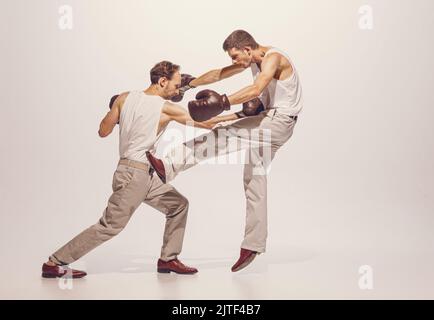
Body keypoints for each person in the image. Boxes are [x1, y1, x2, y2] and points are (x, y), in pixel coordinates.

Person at [41, 61, 220, 278]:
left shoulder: (124, 98)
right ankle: (55, 262)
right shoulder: (166, 108)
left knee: (178, 205)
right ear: (162, 81)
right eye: (176, 84)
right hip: (135, 175)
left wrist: (121, 114)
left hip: (141, 173)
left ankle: (168, 259)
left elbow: (103, 131)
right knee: (110, 225)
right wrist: (231, 109)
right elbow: (205, 124)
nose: (178, 89)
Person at [147, 30, 303, 272]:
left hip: (277, 122)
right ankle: (253, 243)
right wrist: (193, 83)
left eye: (235, 56)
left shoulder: (273, 58)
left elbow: (255, 90)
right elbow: (221, 75)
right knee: (254, 179)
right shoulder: (254, 60)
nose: (233, 61)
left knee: (222, 138)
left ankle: (169, 165)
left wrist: (222, 103)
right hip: (276, 123)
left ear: (248, 49)